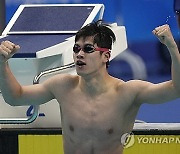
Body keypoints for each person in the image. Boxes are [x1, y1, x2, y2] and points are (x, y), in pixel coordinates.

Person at [0, 20, 180, 154]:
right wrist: (3, 64)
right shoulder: (62, 86)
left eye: (88, 49)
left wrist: (172, 47)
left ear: (106, 56)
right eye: (76, 49)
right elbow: (15, 97)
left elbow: (176, 89)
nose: (79, 54)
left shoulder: (127, 92)